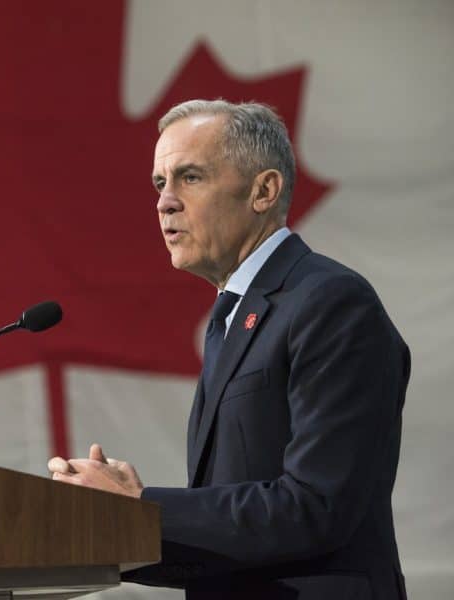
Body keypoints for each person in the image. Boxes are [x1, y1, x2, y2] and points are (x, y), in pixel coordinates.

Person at [48, 100, 410, 599]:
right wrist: (118, 525)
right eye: (160, 183)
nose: (164, 202)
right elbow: (231, 534)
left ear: (264, 190)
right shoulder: (234, 318)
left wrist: (142, 506)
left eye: (189, 177)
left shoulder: (329, 302)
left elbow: (316, 507)